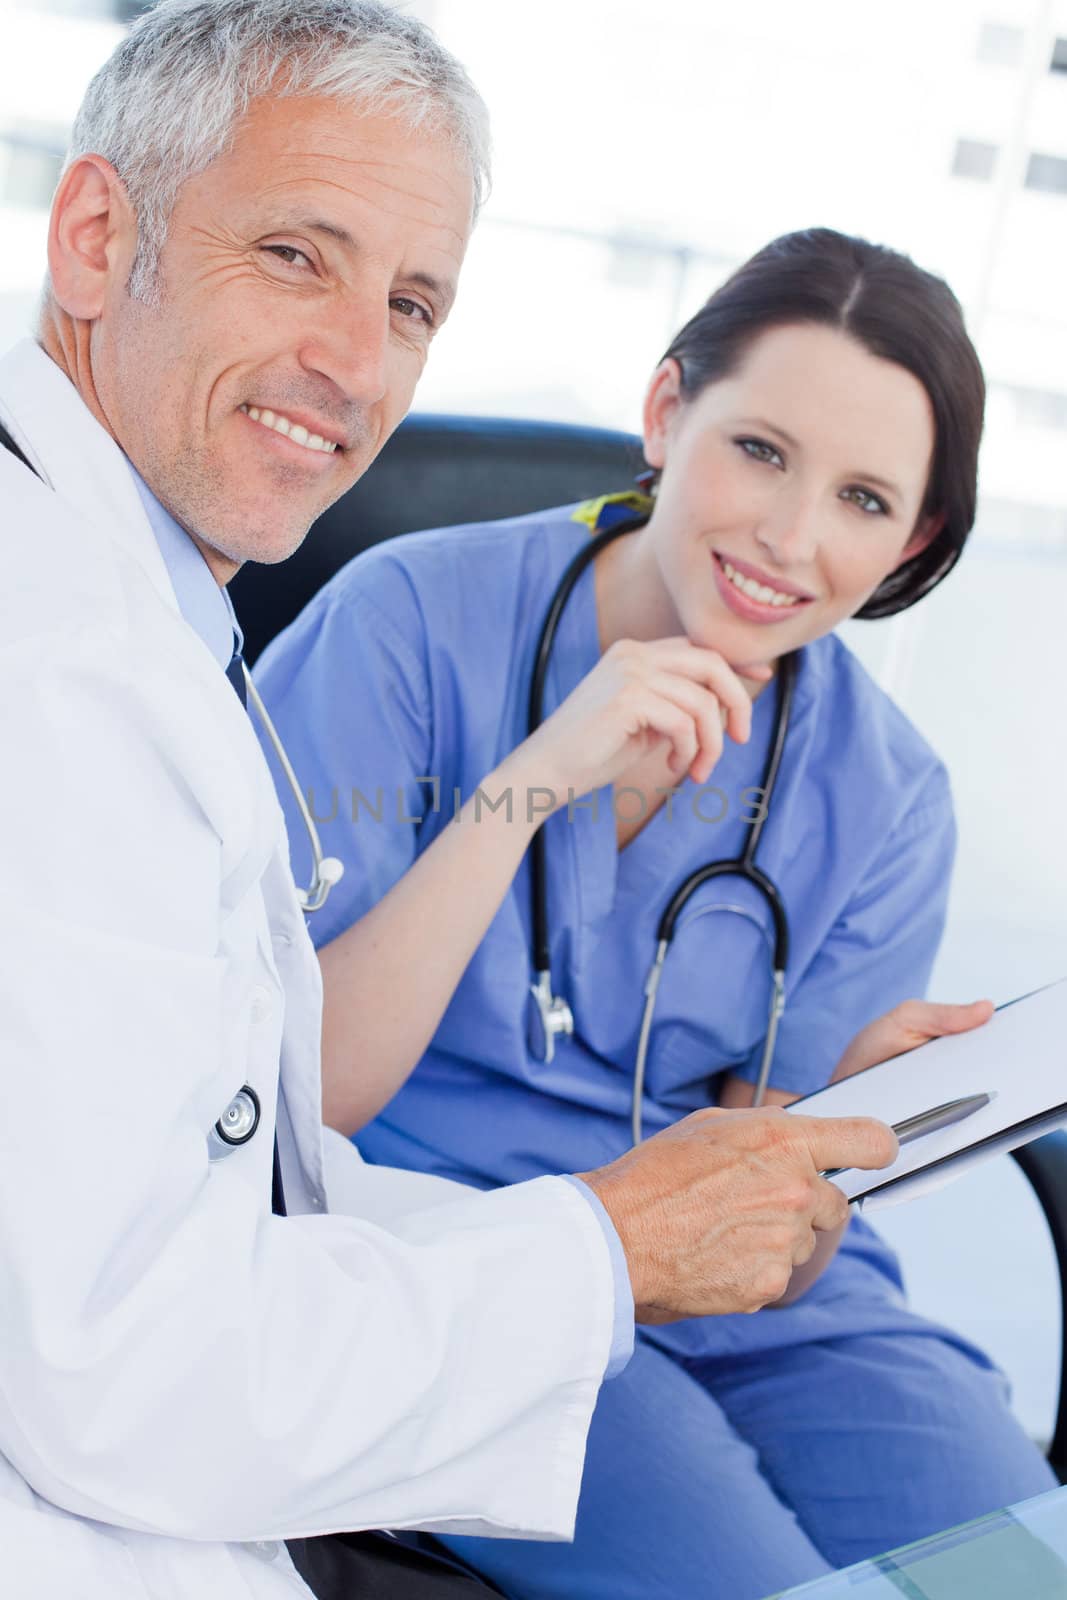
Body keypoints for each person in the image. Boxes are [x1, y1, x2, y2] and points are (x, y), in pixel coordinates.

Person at [0, 5, 903, 1598]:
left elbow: (240, 1175)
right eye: (294, 254)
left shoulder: (143, 607)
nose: (357, 362)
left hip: (443, 1311)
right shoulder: (86, 672)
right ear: (93, 237)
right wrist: (603, 1247)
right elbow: (137, 1358)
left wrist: (821, 1133)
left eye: (412, 302)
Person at [254, 227, 1057, 1600]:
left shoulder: (887, 792)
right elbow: (299, 1095)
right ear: (668, 413)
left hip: (747, 1294)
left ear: (915, 538)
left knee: (1006, 1565)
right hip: (473, 1261)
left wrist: (834, 1153)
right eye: (760, 451)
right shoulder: (405, 624)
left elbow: (776, 1247)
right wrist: (532, 782)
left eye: (866, 500)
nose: (790, 540)